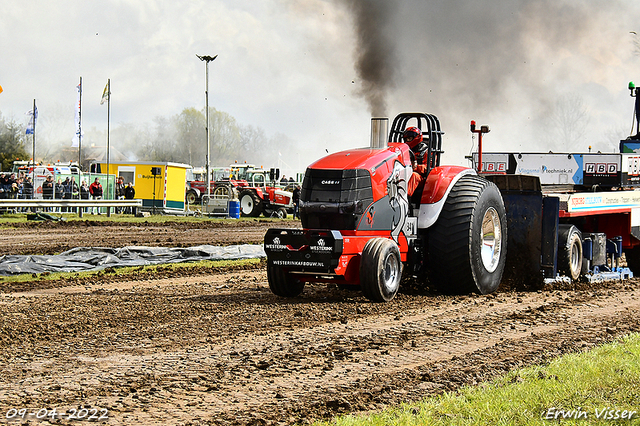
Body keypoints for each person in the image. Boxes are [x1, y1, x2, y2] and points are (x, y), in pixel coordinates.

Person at [403, 127, 429, 198]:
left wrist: (416, 167)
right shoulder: (405, 150)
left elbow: (428, 167)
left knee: (414, 175)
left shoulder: (427, 151)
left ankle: (405, 198)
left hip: (421, 178)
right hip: (404, 173)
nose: (407, 141)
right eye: (406, 139)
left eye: (409, 138)